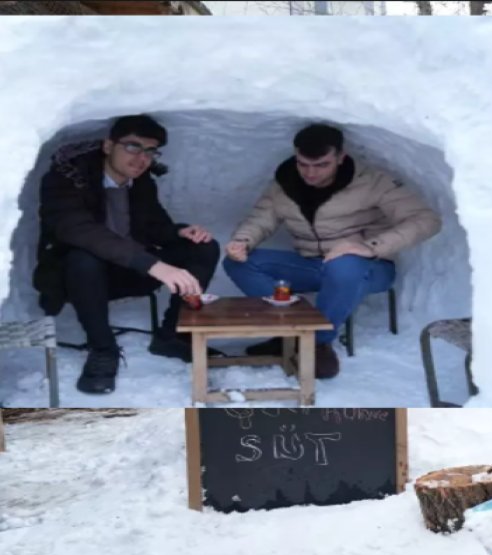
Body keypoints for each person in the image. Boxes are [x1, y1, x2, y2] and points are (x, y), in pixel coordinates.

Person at [223, 123, 441, 379]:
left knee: (345, 264)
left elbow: (426, 220)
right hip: (312, 264)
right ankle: (293, 331)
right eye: (303, 164)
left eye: (321, 165)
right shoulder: (284, 183)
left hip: (366, 267)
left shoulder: (372, 182)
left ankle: (316, 342)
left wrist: (370, 247)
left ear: (340, 157)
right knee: (238, 262)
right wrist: (243, 242)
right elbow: (261, 218)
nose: (310, 173)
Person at [33, 114, 220, 395]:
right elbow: (78, 230)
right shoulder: (67, 179)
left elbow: (155, 227)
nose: (141, 158)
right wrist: (154, 265)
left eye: (149, 151)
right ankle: (102, 349)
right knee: (83, 258)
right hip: (78, 280)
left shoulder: (142, 182)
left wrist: (180, 233)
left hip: (130, 270)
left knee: (204, 246)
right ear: (109, 146)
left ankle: (172, 335)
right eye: (133, 147)